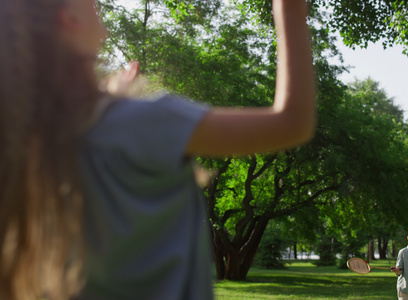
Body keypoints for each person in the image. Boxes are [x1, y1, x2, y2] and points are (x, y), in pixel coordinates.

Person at [0, 0, 315, 299]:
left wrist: (117, 103)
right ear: (69, 19)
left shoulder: (36, 151)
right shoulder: (146, 122)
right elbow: (293, 123)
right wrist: (289, 9)